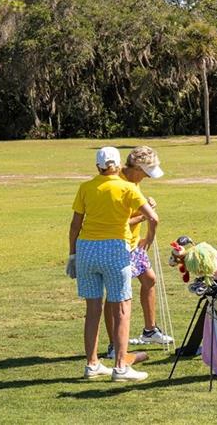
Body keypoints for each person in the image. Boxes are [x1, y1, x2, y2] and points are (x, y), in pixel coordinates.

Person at [67, 146, 158, 381]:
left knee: (93, 310)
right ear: (118, 165)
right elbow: (153, 217)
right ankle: (120, 367)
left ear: (98, 166)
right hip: (114, 250)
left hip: (86, 249)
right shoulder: (127, 187)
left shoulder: (85, 187)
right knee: (121, 308)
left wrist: (72, 255)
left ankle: (92, 364)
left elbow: (75, 225)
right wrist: (148, 237)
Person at [102, 146, 172, 359]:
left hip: (134, 244)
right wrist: (145, 214)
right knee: (115, 296)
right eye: (147, 171)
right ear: (139, 168)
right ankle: (114, 345)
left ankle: (149, 330)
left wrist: (145, 206)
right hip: (118, 244)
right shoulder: (119, 183)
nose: (148, 177)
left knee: (149, 280)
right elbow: (116, 222)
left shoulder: (135, 181)